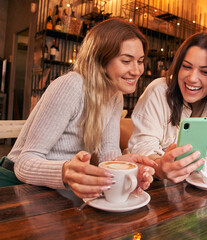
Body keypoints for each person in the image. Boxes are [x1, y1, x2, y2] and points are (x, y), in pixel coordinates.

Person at [1, 18, 155, 199]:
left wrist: (123, 165)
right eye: (126, 61)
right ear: (100, 60)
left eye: (140, 61)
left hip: (58, 191)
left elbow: (108, 153)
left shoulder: (115, 96)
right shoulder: (72, 86)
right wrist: (66, 171)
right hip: (13, 186)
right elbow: (24, 164)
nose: (137, 71)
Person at [128, 32, 207, 183]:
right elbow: (143, 146)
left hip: (198, 188)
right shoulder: (158, 91)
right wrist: (160, 166)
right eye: (186, 67)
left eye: (205, 72)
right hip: (153, 185)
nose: (192, 78)